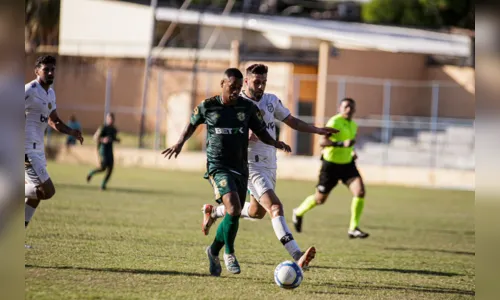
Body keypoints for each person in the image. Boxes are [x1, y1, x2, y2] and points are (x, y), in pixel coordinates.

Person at [201, 64, 339, 269]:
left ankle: (215, 212)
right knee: (275, 207)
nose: (261, 86)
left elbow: (292, 121)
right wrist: (243, 137)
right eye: (257, 82)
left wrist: (317, 130)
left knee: (257, 212)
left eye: (264, 82)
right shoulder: (238, 104)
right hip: (250, 166)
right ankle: (297, 254)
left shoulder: (271, 101)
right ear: (246, 81)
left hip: (270, 165)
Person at [162, 68, 291, 277]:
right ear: (222, 83)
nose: (236, 91)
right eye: (233, 87)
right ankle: (229, 253)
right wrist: (178, 143)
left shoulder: (247, 107)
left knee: (235, 211)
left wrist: (276, 143)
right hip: (218, 165)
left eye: (239, 88)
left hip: (241, 167)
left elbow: (261, 132)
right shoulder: (208, 106)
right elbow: (191, 125)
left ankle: (213, 251)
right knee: (233, 207)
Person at [25, 55, 84, 247]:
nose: (50, 73)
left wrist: (71, 131)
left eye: (53, 69)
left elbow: (54, 120)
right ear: (37, 71)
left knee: (36, 197)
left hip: (38, 150)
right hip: (26, 149)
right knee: (47, 191)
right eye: (46, 69)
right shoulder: (29, 90)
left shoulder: (50, 93)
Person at [292, 98, 369, 239]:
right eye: (345, 106)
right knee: (320, 199)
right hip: (330, 166)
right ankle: (298, 212)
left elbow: (349, 144)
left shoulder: (353, 125)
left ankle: (353, 228)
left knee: (360, 192)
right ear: (339, 108)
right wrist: (340, 144)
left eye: (351, 107)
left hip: (348, 165)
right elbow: (323, 141)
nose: (349, 109)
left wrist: (351, 151)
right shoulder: (334, 122)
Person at [86, 112, 120, 190]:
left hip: (110, 151)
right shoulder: (103, 128)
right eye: (109, 119)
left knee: (110, 168)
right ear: (107, 119)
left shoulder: (114, 129)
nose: (111, 120)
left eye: (112, 119)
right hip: (103, 150)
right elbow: (95, 137)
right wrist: (103, 140)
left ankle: (103, 185)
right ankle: (91, 173)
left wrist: (117, 140)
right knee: (103, 168)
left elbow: (113, 138)